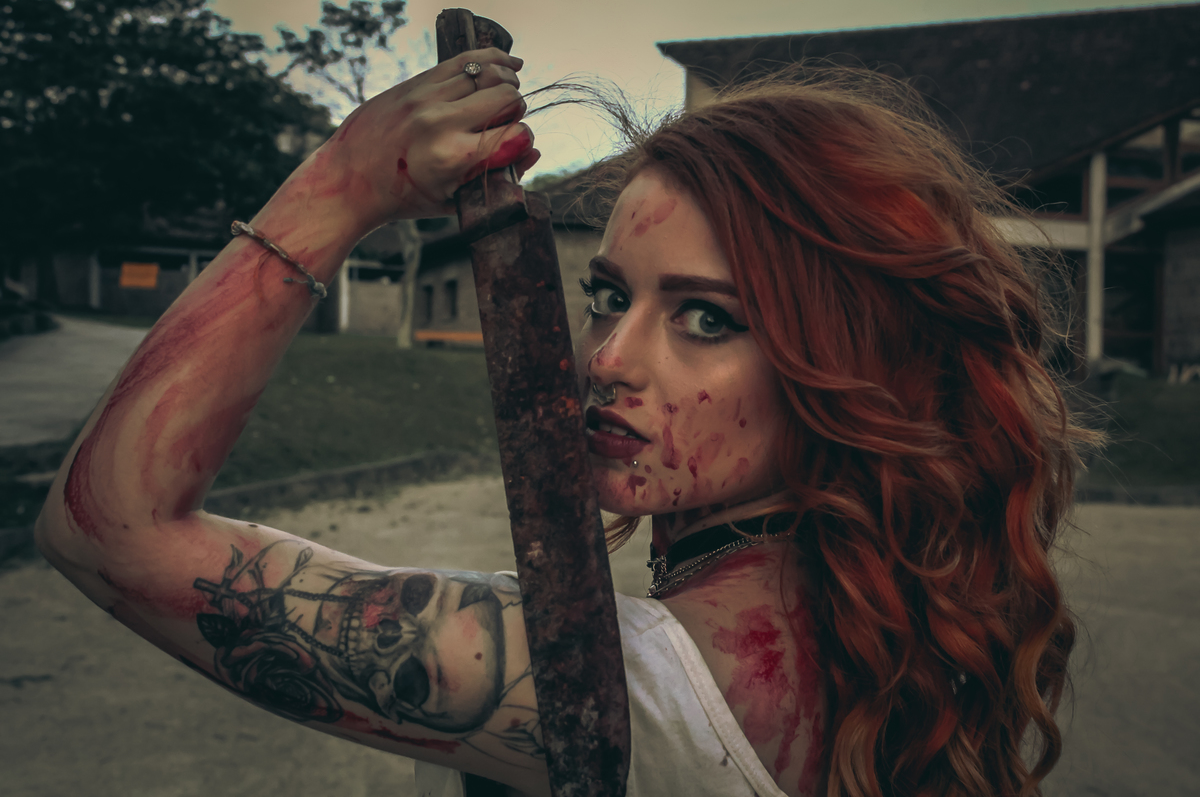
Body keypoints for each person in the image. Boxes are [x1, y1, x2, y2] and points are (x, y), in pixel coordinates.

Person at [35, 46, 1094, 797]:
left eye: (708, 317)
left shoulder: (607, 678)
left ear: (851, 364)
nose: (611, 358)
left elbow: (107, 527)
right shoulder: (903, 627)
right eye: (608, 295)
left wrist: (339, 184)